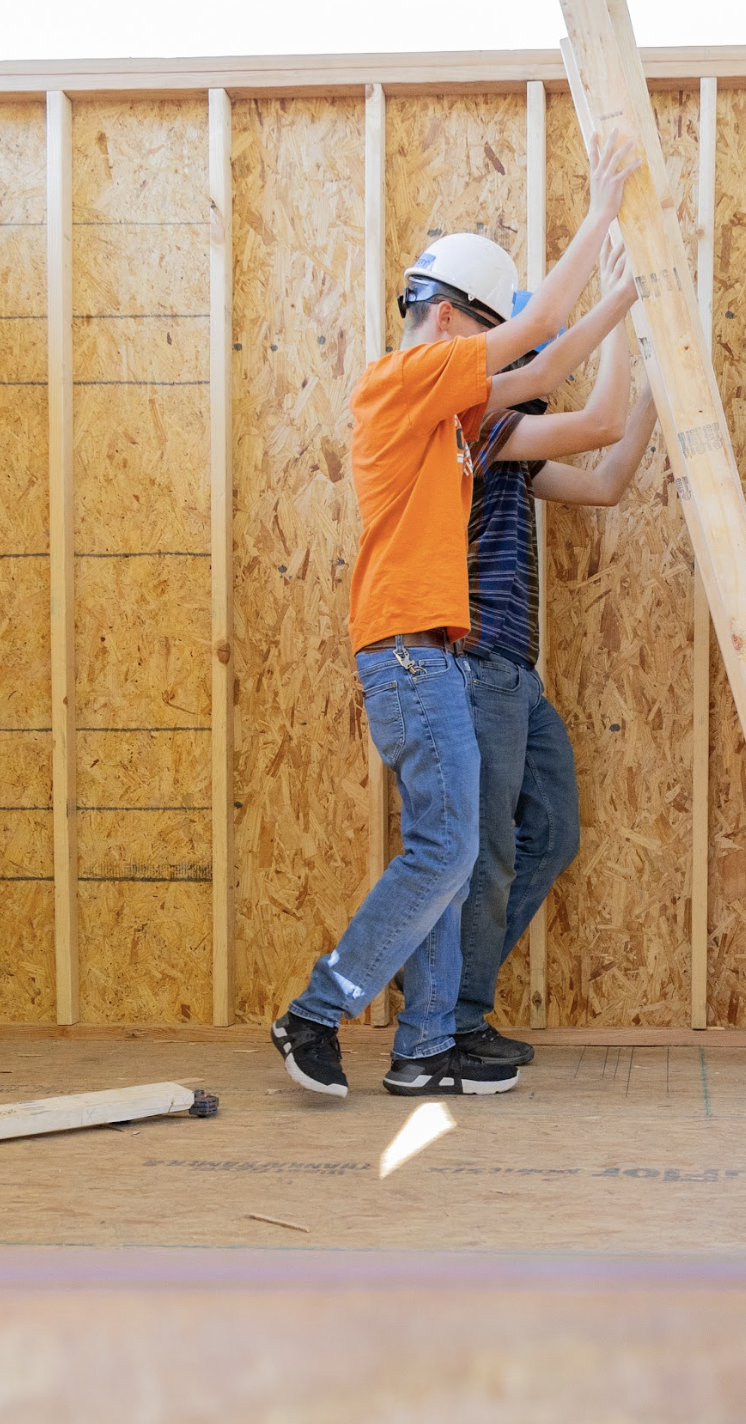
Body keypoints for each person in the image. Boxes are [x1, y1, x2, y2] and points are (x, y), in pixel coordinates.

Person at [272, 130, 641, 1099]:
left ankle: (425, 1048)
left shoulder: (445, 420)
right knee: (447, 849)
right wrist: (603, 211)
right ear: (444, 317)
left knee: (455, 849)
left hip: (427, 652)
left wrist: (633, 303)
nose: (482, 351)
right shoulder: (402, 377)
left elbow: (533, 375)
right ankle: (319, 1008)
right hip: (409, 654)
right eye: (474, 331)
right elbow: (534, 335)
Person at [449, 295, 660, 1068]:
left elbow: (606, 483)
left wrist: (652, 394)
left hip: (513, 675)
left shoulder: (513, 446)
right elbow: (595, 426)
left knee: (551, 833)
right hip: (476, 664)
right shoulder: (473, 421)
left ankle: (445, 986)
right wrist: (628, 328)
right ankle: (455, 1017)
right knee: (488, 850)